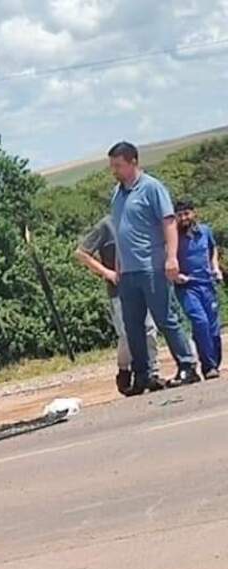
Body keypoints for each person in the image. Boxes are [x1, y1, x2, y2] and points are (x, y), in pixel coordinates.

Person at [108, 141, 200, 394]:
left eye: (118, 165)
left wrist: (172, 258)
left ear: (133, 162)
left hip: (151, 266)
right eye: (112, 166)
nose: (114, 170)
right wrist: (118, 266)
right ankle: (143, 375)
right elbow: (120, 233)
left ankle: (187, 365)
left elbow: (169, 223)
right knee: (133, 325)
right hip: (128, 271)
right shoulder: (117, 193)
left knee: (165, 318)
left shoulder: (151, 188)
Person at [75, 215, 160, 394]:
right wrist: (107, 273)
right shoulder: (106, 225)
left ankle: (151, 372)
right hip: (119, 291)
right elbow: (82, 253)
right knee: (127, 335)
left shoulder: (140, 219)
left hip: (142, 285)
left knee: (149, 329)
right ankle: (124, 369)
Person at [172, 199, 223, 379]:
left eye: (186, 214)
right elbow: (167, 259)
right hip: (187, 287)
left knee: (214, 328)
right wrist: (176, 275)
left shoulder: (205, 231)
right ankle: (208, 366)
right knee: (200, 322)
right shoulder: (173, 237)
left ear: (194, 213)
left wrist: (215, 268)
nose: (184, 218)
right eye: (180, 215)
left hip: (207, 285)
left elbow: (212, 249)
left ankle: (214, 363)